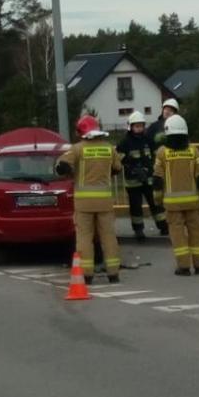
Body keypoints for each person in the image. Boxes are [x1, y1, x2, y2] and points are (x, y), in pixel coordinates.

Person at [56, 115, 124, 284]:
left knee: (85, 237)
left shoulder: (78, 149)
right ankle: (113, 273)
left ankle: (87, 274)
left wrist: (66, 169)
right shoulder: (109, 149)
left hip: (83, 203)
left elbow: (61, 166)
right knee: (108, 236)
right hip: (105, 202)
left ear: (81, 131)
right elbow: (117, 168)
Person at [154, 115, 199, 276]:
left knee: (177, 235)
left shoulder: (162, 153)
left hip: (172, 204)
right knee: (197, 233)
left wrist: (157, 199)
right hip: (193, 202)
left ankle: (184, 266)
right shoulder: (194, 151)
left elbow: (157, 179)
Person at [117, 111, 166, 245]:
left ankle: (163, 226)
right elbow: (119, 157)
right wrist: (132, 167)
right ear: (130, 127)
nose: (139, 128)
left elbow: (155, 155)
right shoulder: (125, 141)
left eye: (141, 126)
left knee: (155, 203)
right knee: (136, 207)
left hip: (149, 178)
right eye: (136, 126)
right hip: (133, 181)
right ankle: (139, 230)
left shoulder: (147, 139)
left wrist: (151, 169)